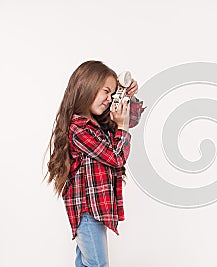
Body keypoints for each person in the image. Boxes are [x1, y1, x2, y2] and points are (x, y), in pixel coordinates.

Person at [46, 60, 144, 266]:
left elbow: (131, 119)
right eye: (106, 92)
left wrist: (129, 96)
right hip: (87, 212)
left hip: (95, 211)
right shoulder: (79, 130)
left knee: (85, 263)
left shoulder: (96, 124)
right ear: (87, 87)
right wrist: (122, 128)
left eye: (112, 94)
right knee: (98, 264)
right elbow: (116, 158)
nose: (109, 100)